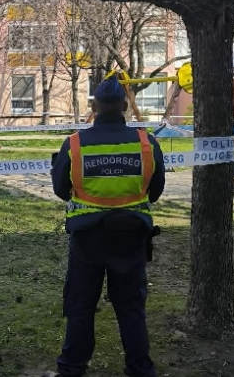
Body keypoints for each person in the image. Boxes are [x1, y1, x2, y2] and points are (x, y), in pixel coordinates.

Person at [45, 73, 166, 377]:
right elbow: (155, 191)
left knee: (81, 306)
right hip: (131, 238)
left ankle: (72, 368)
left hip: (88, 238)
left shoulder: (74, 144)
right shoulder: (146, 143)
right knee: (131, 308)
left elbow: (61, 189)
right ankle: (140, 369)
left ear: (94, 107)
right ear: (125, 105)